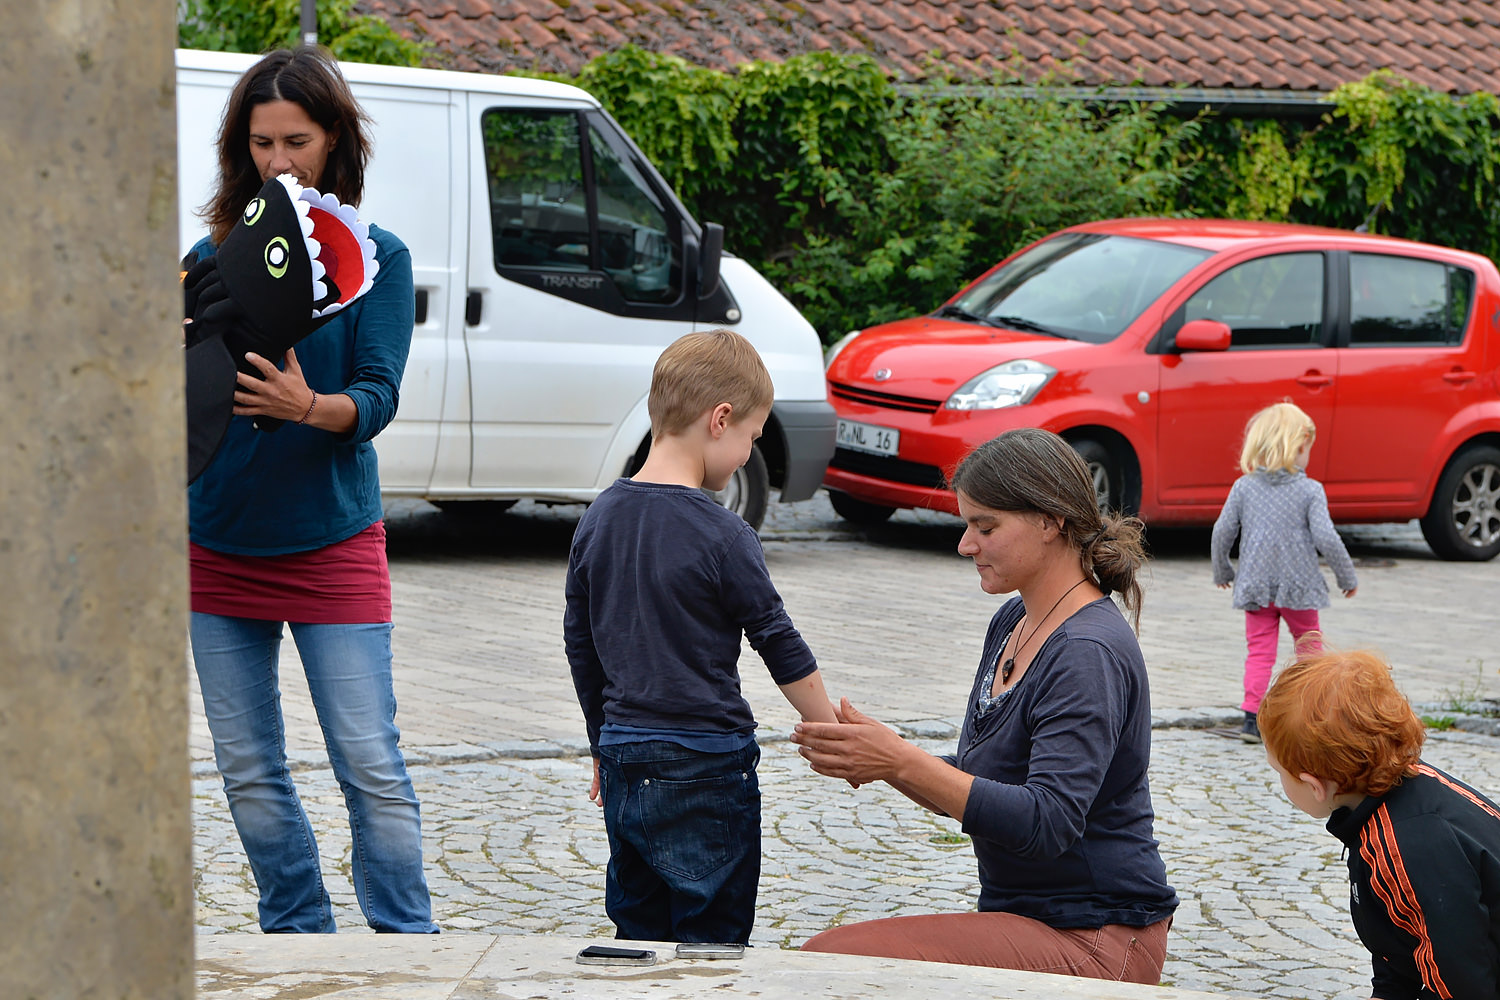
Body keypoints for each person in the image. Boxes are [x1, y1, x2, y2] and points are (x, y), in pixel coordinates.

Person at [185, 47, 436, 933]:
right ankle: (296, 936)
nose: (279, 161)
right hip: (217, 548)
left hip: (333, 542)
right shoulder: (212, 253)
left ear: (335, 142)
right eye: (261, 144)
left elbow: (380, 395)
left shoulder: (380, 258)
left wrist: (308, 406)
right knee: (248, 769)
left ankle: (408, 946)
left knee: (369, 761)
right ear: (239, 147)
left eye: (297, 140)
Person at [791, 428, 1178, 983]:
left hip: (1096, 937)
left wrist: (900, 760)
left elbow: (1047, 821)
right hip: (1032, 922)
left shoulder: (1086, 652)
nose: (965, 544)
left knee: (830, 962)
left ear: (1051, 521)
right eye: (966, 524)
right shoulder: (1012, 623)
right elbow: (981, 788)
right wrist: (880, 758)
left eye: (985, 526)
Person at [564, 328, 838, 944]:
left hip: (626, 756)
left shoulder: (598, 518)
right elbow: (778, 640)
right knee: (712, 944)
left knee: (637, 934)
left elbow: (581, 645)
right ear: (721, 420)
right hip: (706, 764)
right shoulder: (724, 533)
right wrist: (830, 730)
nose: (747, 455)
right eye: (750, 437)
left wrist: (602, 745)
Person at [1259, 649, 1500, 999]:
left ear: (1314, 785)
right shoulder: (1405, 788)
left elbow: (1460, 983)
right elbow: (1400, 936)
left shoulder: (1405, 845)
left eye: (1279, 772)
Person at [1211, 401, 1357, 744]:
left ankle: (1251, 718)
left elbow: (1222, 531)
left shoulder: (1244, 487)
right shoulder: (1310, 490)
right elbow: (1325, 536)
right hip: (1299, 585)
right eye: (1308, 449)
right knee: (1309, 644)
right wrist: (1346, 576)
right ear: (1298, 447)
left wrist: (1223, 569)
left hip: (1256, 585)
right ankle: (1312, 711)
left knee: (1259, 650)